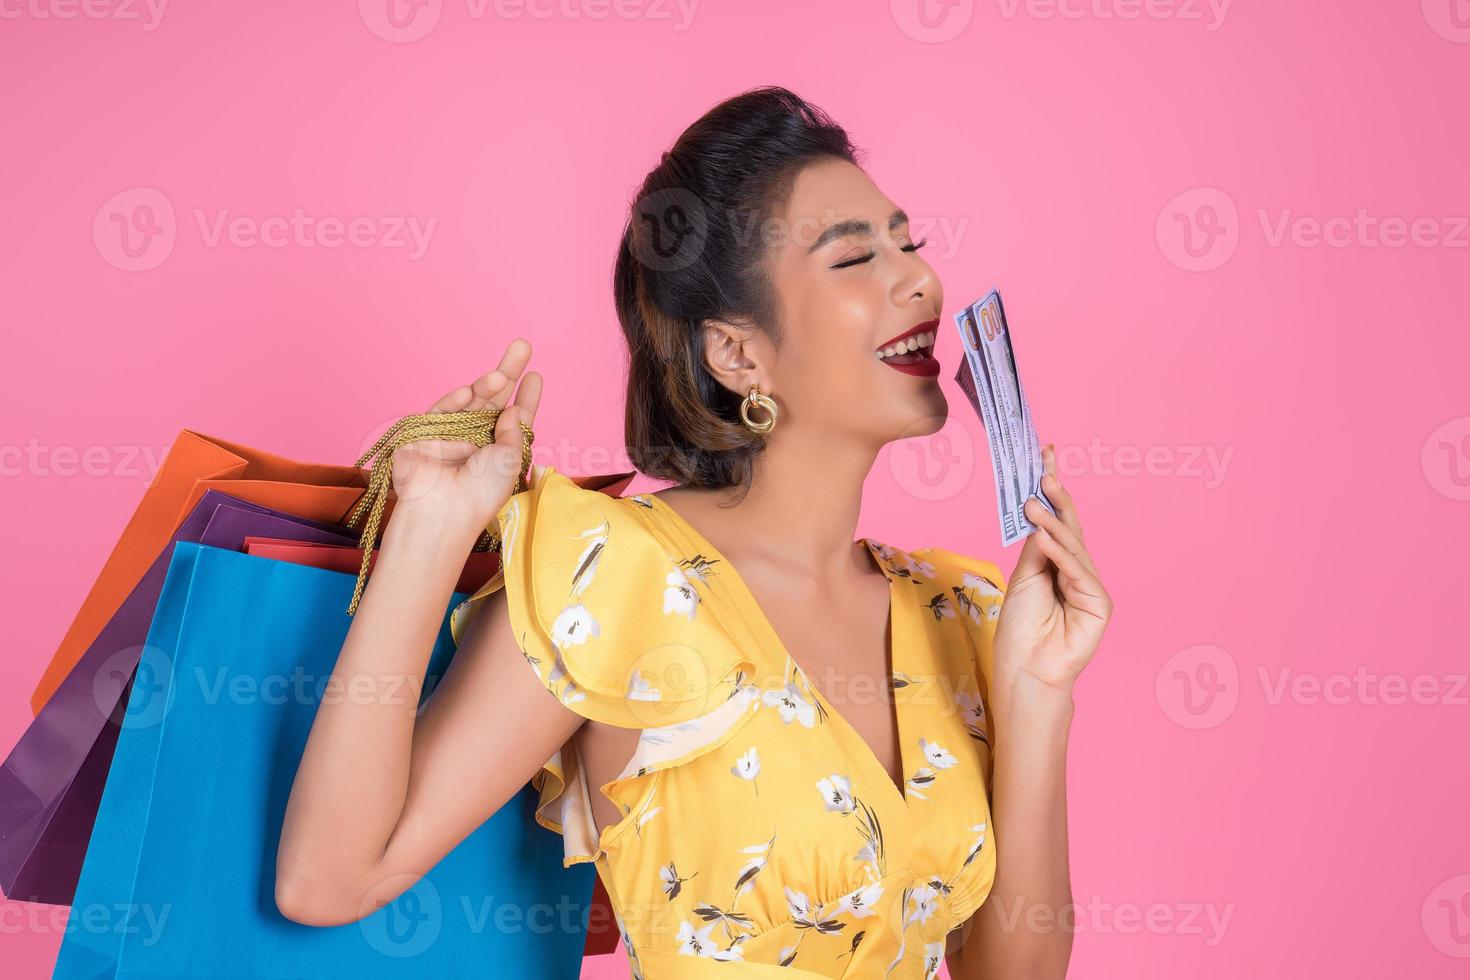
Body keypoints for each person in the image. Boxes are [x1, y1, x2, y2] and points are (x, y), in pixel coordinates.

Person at [275, 86, 1111, 980]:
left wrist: (1036, 694)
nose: (920, 281)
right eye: (854, 258)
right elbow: (328, 882)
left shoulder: (963, 614)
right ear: (737, 354)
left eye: (910, 244)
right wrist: (427, 535)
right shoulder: (620, 577)